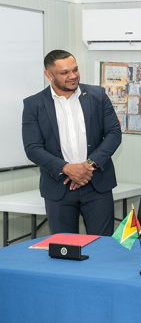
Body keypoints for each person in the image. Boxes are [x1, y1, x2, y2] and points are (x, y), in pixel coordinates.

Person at [22, 49, 122, 235]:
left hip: (96, 184)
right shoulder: (33, 104)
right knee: (64, 250)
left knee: (102, 248)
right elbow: (33, 148)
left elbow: (114, 133)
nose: (73, 76)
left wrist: (87, 166)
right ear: (48, 75)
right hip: (58, 188)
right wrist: (67, 168)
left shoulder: (98, 96)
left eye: (75, 69)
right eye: (65, 72)